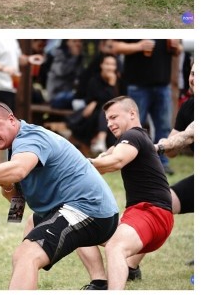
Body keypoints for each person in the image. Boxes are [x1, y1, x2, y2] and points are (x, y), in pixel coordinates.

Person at [0, 98, 119, 290]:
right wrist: (6, 185)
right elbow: (18, 203)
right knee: (27, 240)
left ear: (11, 120)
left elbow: (19, 170)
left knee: (27, 255)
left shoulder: (31, 138)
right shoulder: (15, 146)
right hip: (75, 209)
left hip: (89, 210)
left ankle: (101, 279)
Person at [89, 96, 174, 290]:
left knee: (115, 247)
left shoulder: (134, 136)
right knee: (78, 227)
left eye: (114, 117)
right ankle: (100, 282)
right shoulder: (129, 141)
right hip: (141, 215)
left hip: (152, 213)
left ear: (132, 114)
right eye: (107, 120)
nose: (109, 124)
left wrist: (82, 163)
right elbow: (104, 159)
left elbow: (115, 162)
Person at [126, 61, 195, 280]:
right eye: (193, 73)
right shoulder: (189, 107)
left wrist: (158, 146)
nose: (194, 78)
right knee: (162, 202)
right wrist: (169, 142)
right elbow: (175, 149)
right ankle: (131, 268)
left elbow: (188, 136)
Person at [111, 39, 182, 174]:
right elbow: (115, 46)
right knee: (131, 127)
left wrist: (176, 46)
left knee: (164, 126)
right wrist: (138, 46)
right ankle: (129, 162)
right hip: (137, 86)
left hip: (163, 85)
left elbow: (179, 50)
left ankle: (162, 164)